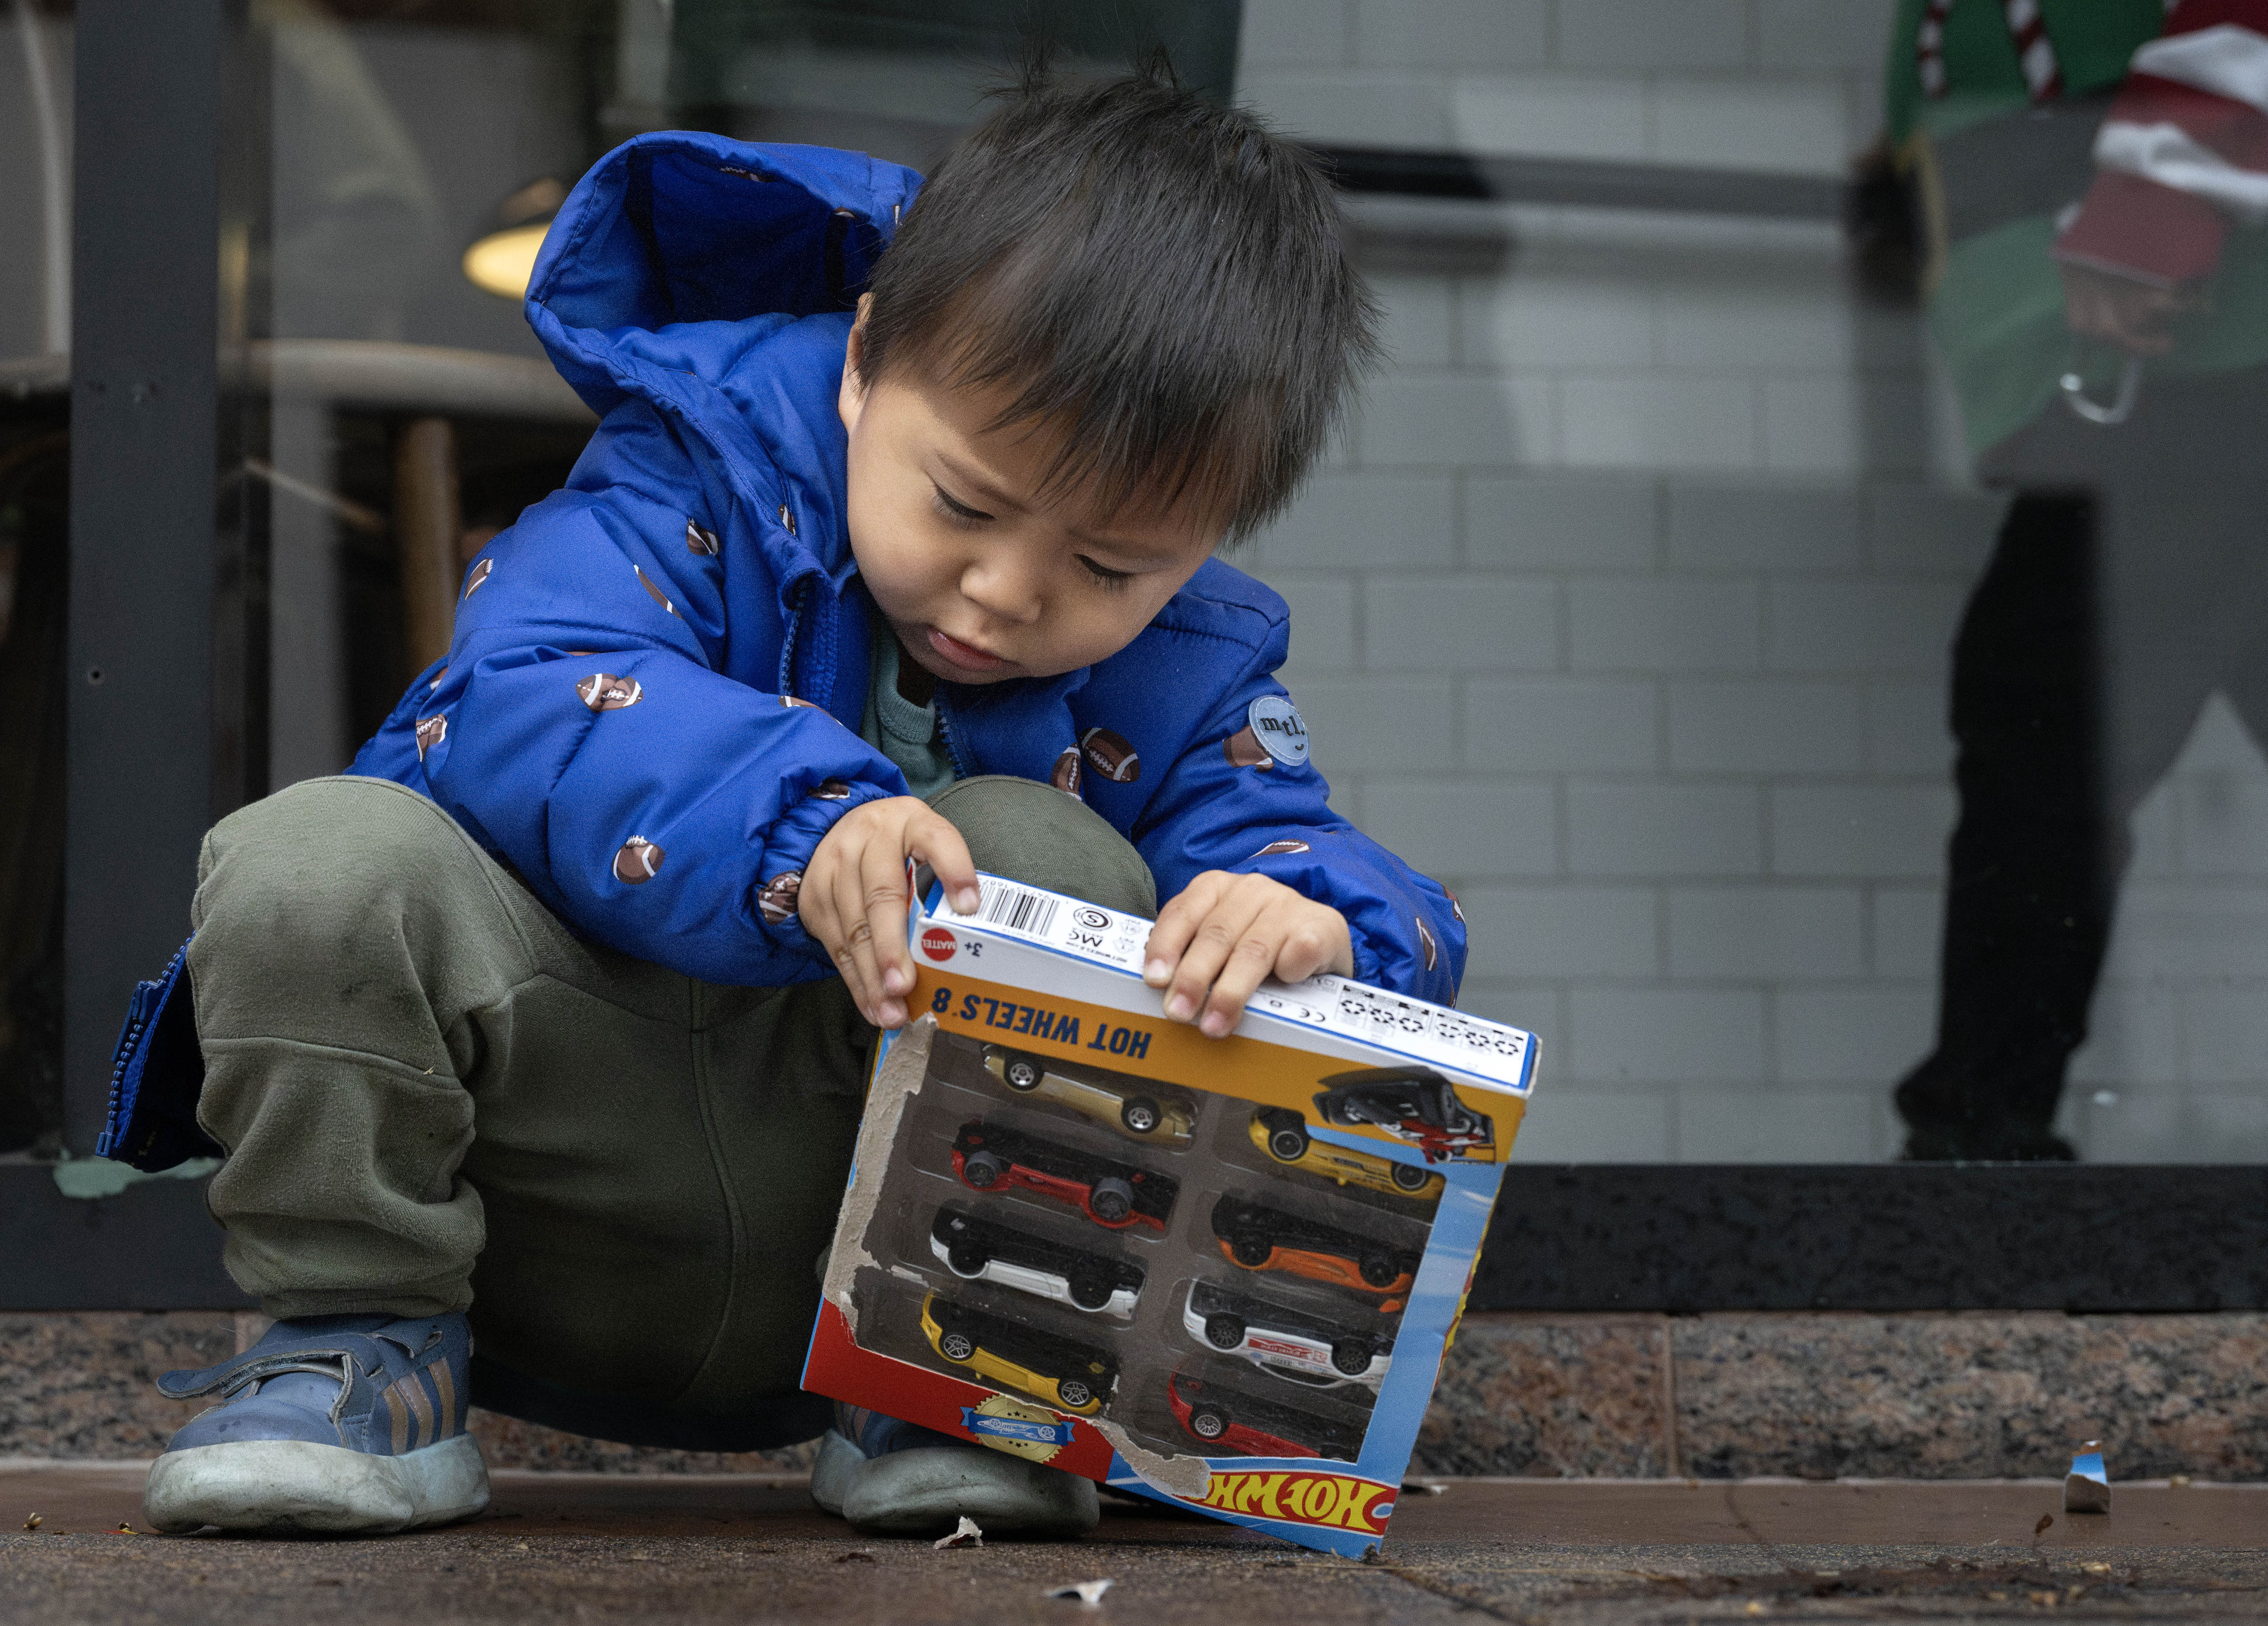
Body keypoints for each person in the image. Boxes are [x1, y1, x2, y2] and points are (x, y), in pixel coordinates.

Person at [136, 63, 1460, 1538]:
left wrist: (1308, 926)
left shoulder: (1188, 667)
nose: (1004, 591)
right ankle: (355, 1348)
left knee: (1039, 853)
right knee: (312, 857)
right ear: (865, 360)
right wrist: (805, 821)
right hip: (536, 1196)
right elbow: (519, 685)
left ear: (1207, 536)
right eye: (962, 504)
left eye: (1108, 566)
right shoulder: (693, 464)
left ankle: (953, 1390)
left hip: (885, 1272)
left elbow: (1302, 854)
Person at [1879, 0, 2268, 1160]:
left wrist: (2155, 209)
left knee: (2044, 711)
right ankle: (1974, 1131)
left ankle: (1974, 1137)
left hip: (2221, 347)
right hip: (2192, 354)